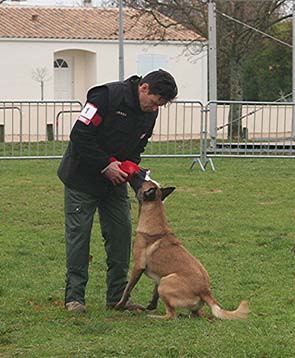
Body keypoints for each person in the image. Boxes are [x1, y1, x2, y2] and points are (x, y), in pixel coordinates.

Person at [57, 69, 178, 313]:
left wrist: (131, 168)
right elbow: (80, 136)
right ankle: (75, 298)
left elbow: (138, 145)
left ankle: (117, 298)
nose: (154, 109)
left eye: (160, 106)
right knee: (79, 238)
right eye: (154, 102)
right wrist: (105, 165)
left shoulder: (150, 113)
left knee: (121, 237)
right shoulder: (106, 97)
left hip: (114, 183)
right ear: (144, 88)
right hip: (82, 178)